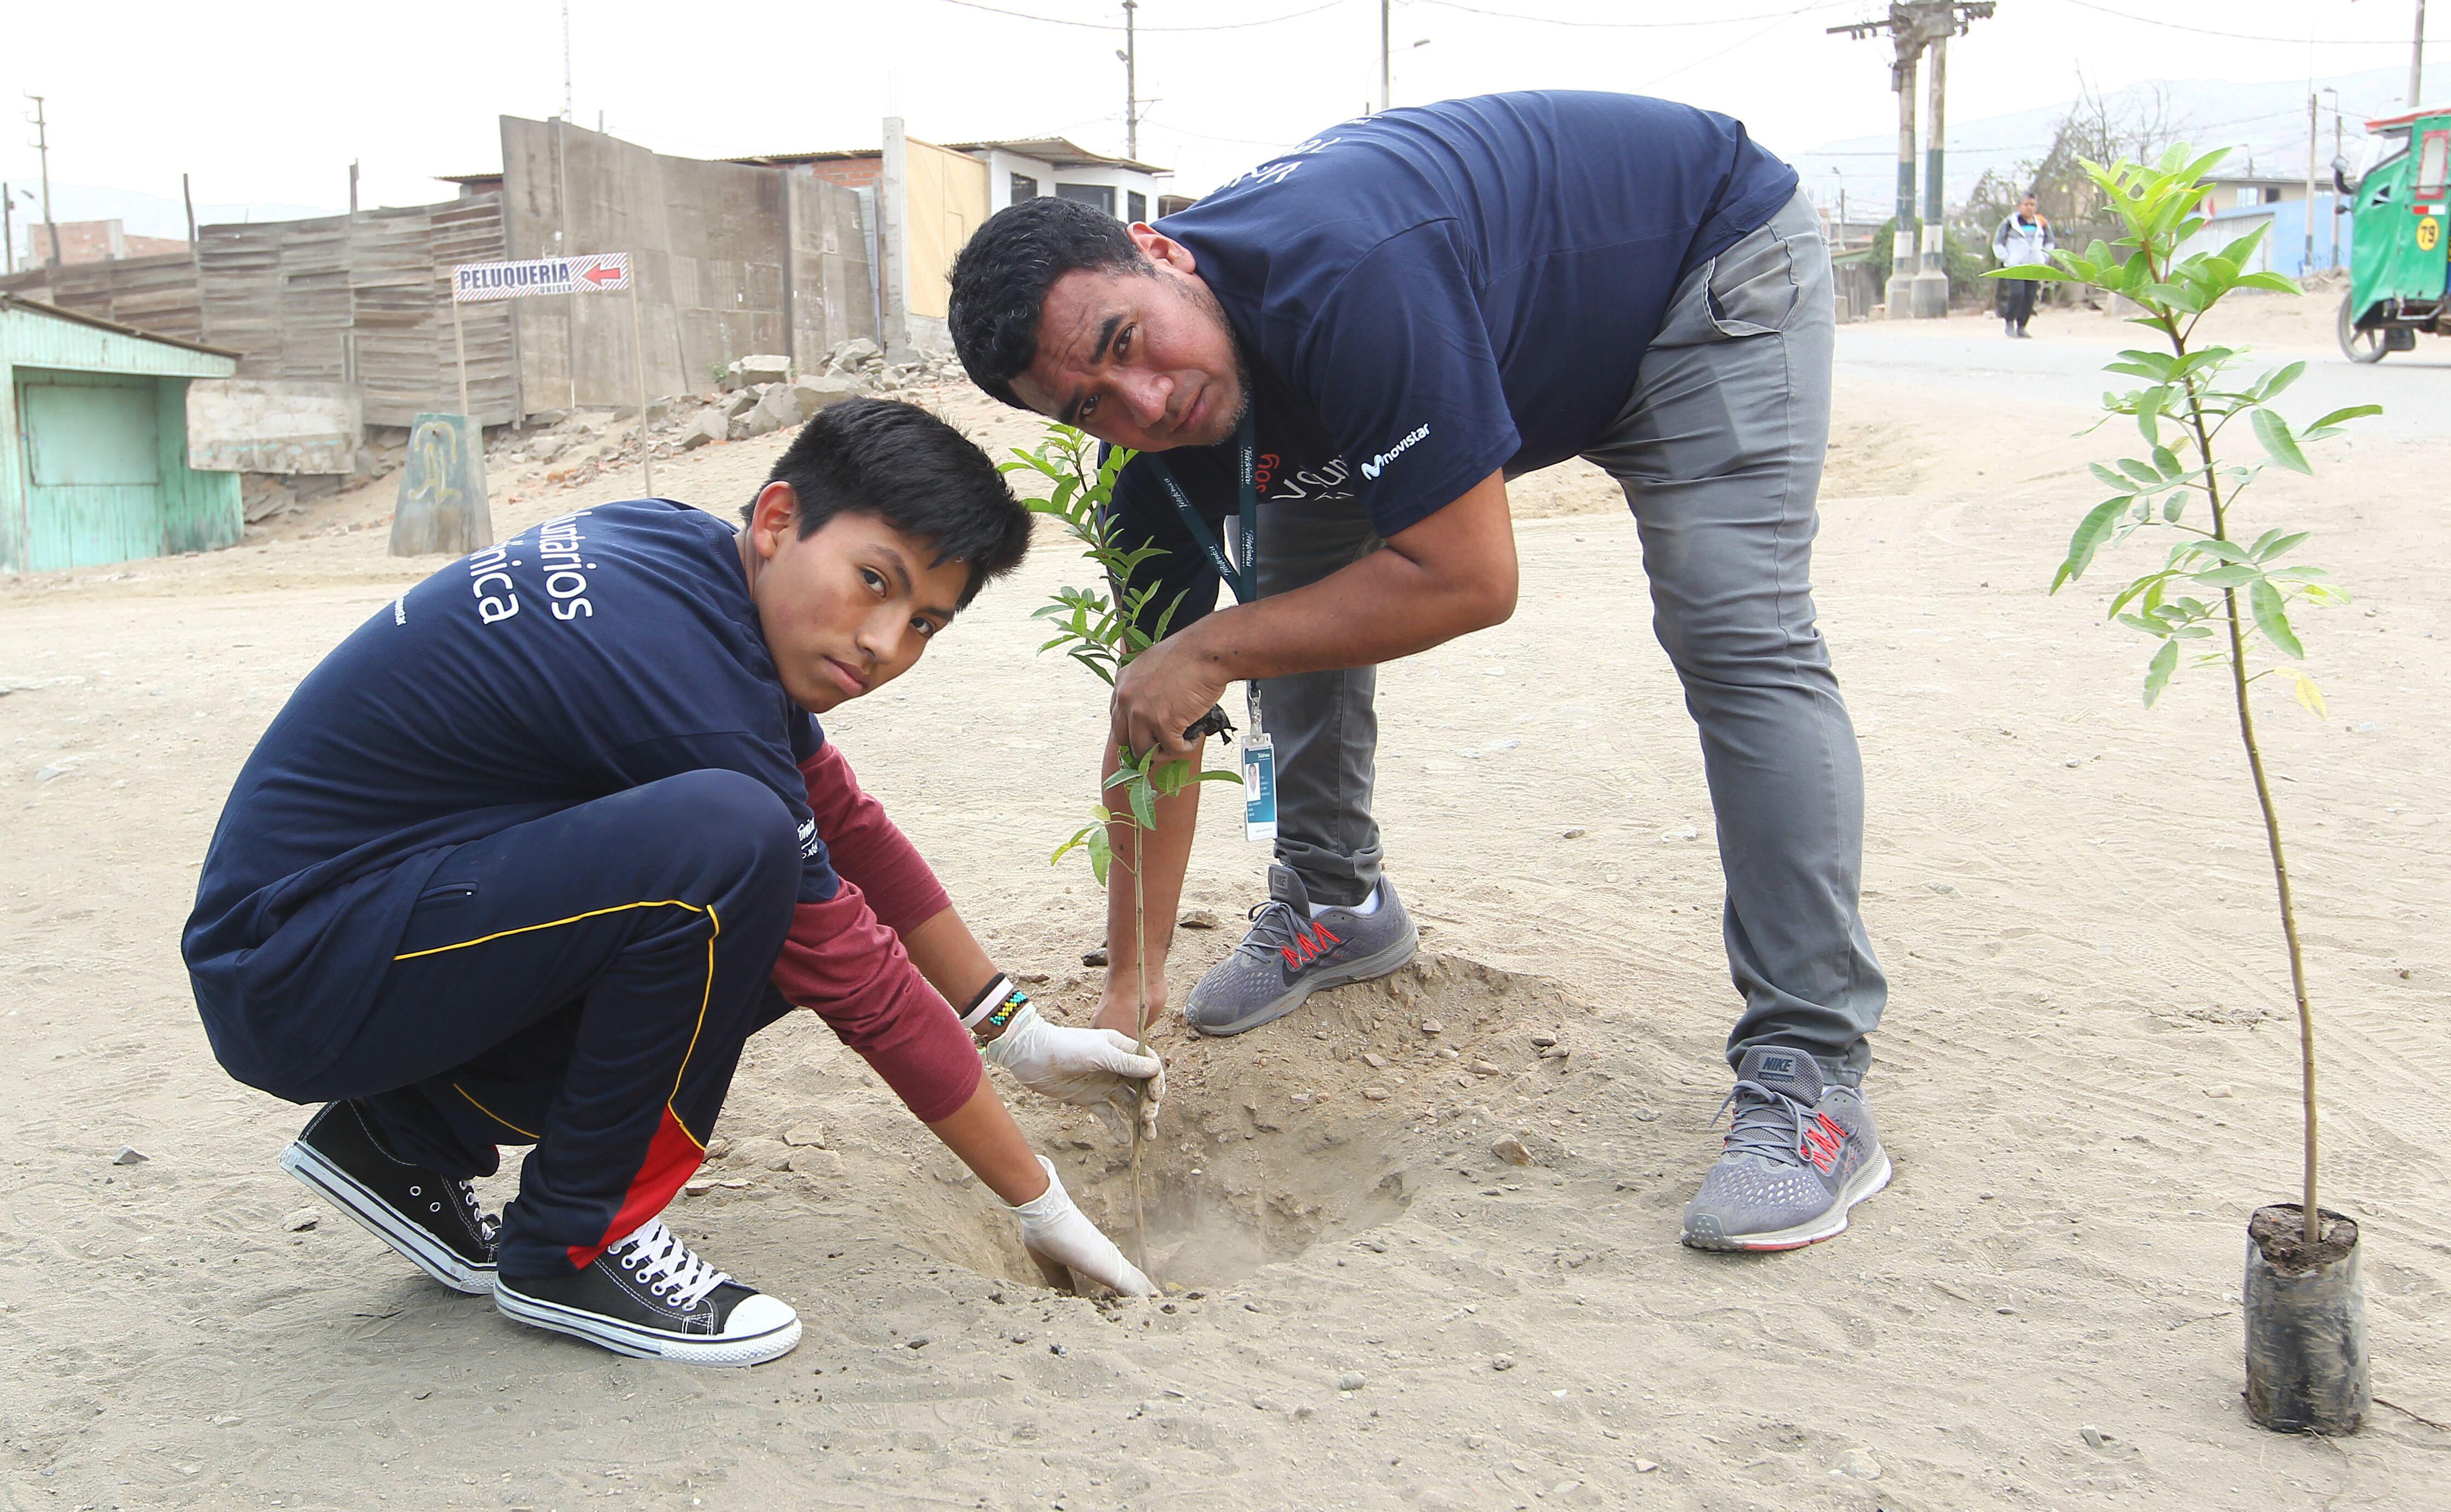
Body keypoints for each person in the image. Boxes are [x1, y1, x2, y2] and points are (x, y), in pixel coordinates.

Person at [948, 90, 1891, 1255]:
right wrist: (1127, 991)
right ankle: (1336, 902)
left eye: (1127, 346)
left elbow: (1466, 578)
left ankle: (1810, 1070)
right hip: (1494, 346)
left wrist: (1212, 646)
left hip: (1692, 277)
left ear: (1159, 250)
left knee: (1733, 628)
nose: (1146, 405)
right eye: (1092, 406)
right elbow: (1155, 717)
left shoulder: (1345, 273)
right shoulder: (1157, 448)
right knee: (1288, 601)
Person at [183, 399, 1163, 1369]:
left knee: (766, 866)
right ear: (778, 520)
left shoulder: (686, 556)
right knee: (736, 850)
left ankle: (403, 1139)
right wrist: (1040, 1202)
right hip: (295, 968)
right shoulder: (671, 674)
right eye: (874, 582)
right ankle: (577, 1243)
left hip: (348, 933)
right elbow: (856, 973)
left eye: (923, 625)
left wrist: (1017, 1035)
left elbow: (845, 820)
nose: (884, 643)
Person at [1992, 193, 2054, 336]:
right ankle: (2009, 320)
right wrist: (2006, 258)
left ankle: (2022, 326)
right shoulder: (2010, 223)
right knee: (2018, 294)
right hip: (2015, 266)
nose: (2029, 208)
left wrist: (2044, 256)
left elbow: (2050, 241)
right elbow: (1998, 242)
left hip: (2034, 266)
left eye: (2032, 205)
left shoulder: (2042, 223)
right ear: (2019, 206)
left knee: (2029, 297)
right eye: (2026, 205)